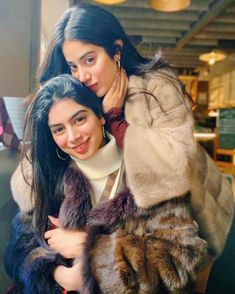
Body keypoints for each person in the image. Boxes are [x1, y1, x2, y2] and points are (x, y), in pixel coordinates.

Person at [8, 3, 234, 292]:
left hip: (205, 211)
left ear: (115, 51)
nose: (82, 76)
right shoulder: (77, 95)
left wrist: (115, 119)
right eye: (73, 66)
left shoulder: (155, 89)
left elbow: (169, 170)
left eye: (89, 60)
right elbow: (32, 187)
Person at [5, 75, 207, 293]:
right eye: (58, 130)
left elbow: (182, 259)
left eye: (79, 119)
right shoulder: (48, 174)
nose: (72, 137)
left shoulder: (149, 171)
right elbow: (17, 252)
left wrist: (93, 249)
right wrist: (58, 275)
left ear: (100, 116)